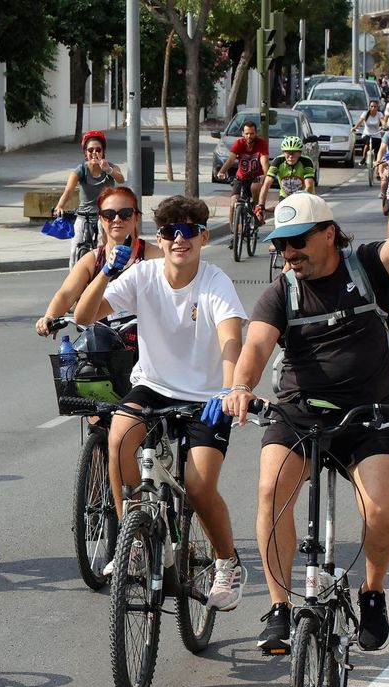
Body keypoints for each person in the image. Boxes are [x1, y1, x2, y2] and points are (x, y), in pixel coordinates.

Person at [222, 154, 389, 655]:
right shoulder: (281, 292)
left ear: (329, 233)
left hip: (368, 414)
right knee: (271, 494)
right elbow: (255, 347)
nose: (289, 252)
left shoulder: (366, 268)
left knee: (380, 512)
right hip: (299, 411)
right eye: (281, 244)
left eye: (298, 241)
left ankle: (373, 591)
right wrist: (240, 386)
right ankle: (279, 607)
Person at [70, 194, 248, 610]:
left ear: (203, 237)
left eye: (188, 231)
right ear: (160, 238)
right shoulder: (144, 275)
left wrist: (228, 388)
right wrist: (106, 274)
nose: (179, 240)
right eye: (170, 232)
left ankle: (228, 563)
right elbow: (83, 315)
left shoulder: (214, 281)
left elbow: (230, 336)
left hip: (206, 395)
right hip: (154, 385)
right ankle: (130, 538)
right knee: (118, 437)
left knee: (200, 488)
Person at [34, 185, 150, 333]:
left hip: (144, 342)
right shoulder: (92, 259)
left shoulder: (152, 255)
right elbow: (66, 294)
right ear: (101, 219)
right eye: (109, 214)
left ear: (137, 217)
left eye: (125, 213)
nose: (116, 219)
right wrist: (49, 317)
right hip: (100, 344)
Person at [54, 130, 127, 260]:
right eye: (90, 150)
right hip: (84, 215)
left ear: (103, 152)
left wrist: (108, 170)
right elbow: (68, 191)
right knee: (74, 250)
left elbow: (121, 179)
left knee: (104, 247)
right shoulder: (81, 170)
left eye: (98, 150)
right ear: (85, 153)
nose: (94, 153)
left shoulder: (110, 167)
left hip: (105, 215)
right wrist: (60, 206)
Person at [217, 120, 270, 239]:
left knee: (255, 187)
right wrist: (222, 171)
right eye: (246, 133)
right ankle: (233, 230)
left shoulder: (261, 144)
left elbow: (264, 161)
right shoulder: (238, 143)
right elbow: (231, 160)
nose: (249, 136)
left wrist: (266, 175)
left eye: (251, 133)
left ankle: (256, 210)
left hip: (256, 177)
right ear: (242, 133)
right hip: (241, 177)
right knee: (233, 202)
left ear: (256, 133)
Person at [257, 136, 318, 216]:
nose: (291, 156)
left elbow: (309, 186)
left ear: (299, 153)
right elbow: (266, 184)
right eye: (288, 152)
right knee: (281, 216)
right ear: (283, 152)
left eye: (294, 152)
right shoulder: (278, 161)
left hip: (304, 196)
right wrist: (261, 205)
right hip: (285, 196)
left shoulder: (306, 161)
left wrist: (299, 201)